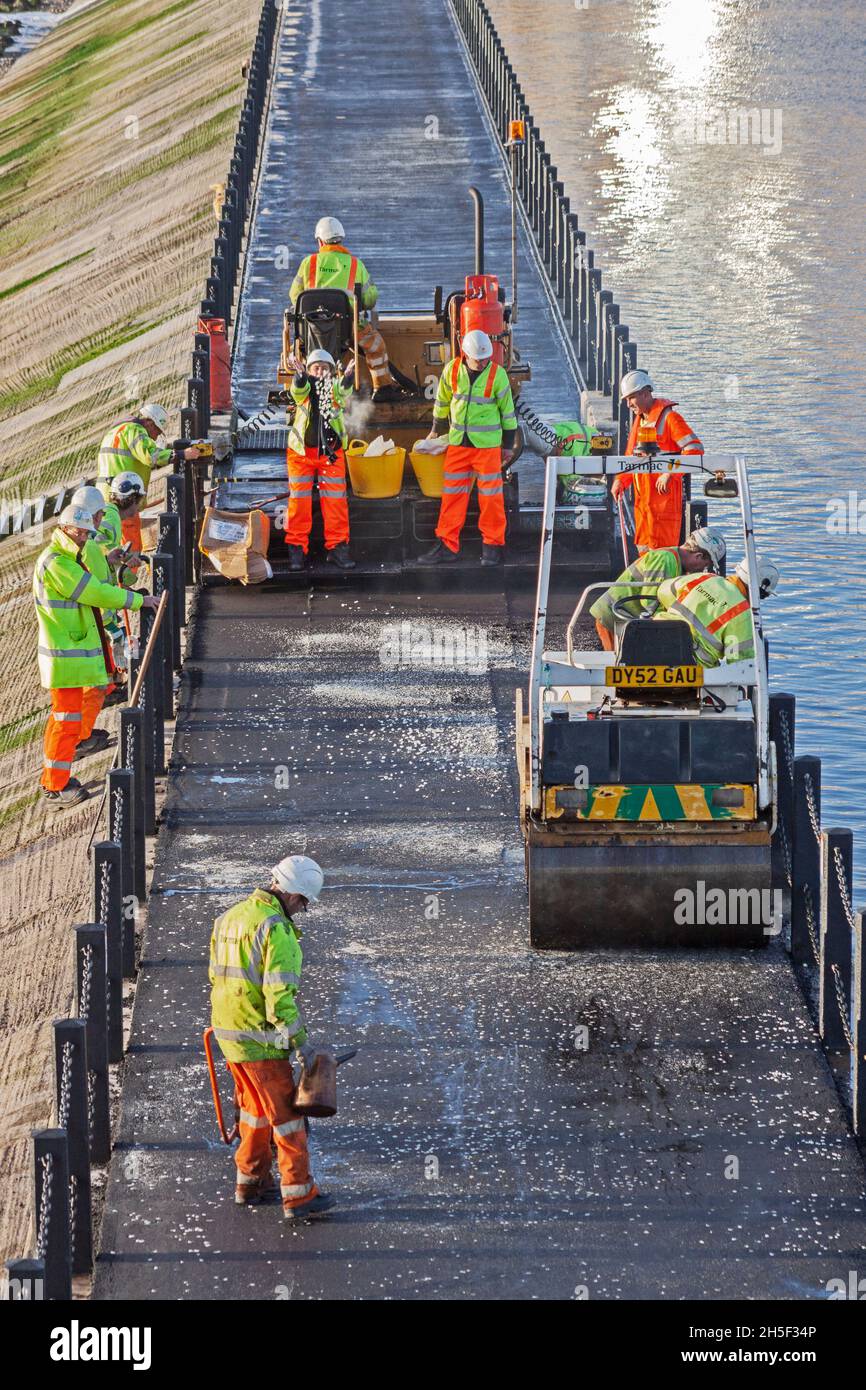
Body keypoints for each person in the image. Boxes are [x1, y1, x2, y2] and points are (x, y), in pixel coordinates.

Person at [208, 854, 336, 1222]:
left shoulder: (230, 917)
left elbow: (216, 978)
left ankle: (249, 1182)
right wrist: (302, 1046)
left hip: (230, 1036)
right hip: (261, 1041)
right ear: (296, 896)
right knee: (288, 1119)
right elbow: (278, 1001)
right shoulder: (276, 929)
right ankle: (299, 1196)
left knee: (254, 1113)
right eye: (305, 903)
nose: (303, 910)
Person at [33, 504, 155, 809]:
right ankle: (54, 788)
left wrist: (106, 559)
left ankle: (56, 781)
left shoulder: (66, 557)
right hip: (66, 659)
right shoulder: (58, 563)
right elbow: (96, 593)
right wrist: (139, 600)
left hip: (69, 658)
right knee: (64, 723)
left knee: (66, 721)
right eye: (84, 533)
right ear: (69, 529)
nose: (87, 538)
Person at [418, 329, 518, 566]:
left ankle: (492, 547)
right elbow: (442, 402)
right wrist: (435, 430)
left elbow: (508, 413)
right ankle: (447, 545)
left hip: (487, 448)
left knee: (491, 499)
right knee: (452, 497)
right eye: (478, 359)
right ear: (465, 354)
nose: (482, 362)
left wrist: (508, 445)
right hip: (458, 445)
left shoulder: (498, 375)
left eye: (485, 358)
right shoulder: (452, 370)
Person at [289, 217, 408, 403]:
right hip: (349, 330)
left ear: (320, 241)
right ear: (340, 240)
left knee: (298, 349)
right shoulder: (355, 265)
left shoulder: (308, 264)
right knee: (376, 346)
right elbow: (370, 298)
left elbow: (295, 295)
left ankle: (306, 383)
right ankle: (382, 388)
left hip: (311, 332)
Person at [591, 526, 726, 651]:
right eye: (705, 565)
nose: (702, 569)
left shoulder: (676, 563)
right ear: (698, 556)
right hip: (612, 617)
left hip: (626, 618)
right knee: (617, 669)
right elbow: (650, 603)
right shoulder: (666, 560)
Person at [611, 369, 703, 552]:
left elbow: (695, 449)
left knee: (664, 557)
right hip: (644, 507)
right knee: (644, 555)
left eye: (631, 398)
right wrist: (621, 481)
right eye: (627, 399)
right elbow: (631, 458)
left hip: (664, 506)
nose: (628, 404)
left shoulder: (670, 419)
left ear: (645, 394)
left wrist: (671, 473)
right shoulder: (640, 422)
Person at [285, 348, 355, 571]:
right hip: (301, 455)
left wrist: (349, 377)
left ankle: (337, 549)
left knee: (336, 504)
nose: (320, 371)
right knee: (298, 504)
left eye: (324, 368)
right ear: (309, 369)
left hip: (330, 455)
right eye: (316, 368)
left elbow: (344, 391)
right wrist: (299, 375)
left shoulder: (334, 390)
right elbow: (298, 390)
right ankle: (297, 551)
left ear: (331, 372)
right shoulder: (304, 390)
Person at [70, 485, 140, 708]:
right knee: (116, 640)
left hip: (100, 610)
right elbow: (98, 587)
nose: (103, 518)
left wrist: (110, 559)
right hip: (100, 612)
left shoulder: (87, 543)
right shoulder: (89, 545)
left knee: (115, 641)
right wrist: (128, 598)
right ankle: (114, 682)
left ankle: (114, 681)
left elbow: (98, 573)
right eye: (100, 514)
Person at [97, 405, 200, 549]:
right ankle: (129, 571)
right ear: (149, 422)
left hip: (109, 495)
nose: (156, 437)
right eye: (157, 431)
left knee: (114, 544)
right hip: (123, 499)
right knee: (131, 547)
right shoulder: (135, 430)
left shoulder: (117, 431)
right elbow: (151, 455)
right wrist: (181, 454)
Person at [655, 555, 779, 667]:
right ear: (759, 592)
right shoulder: (741, 612)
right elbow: (740, 663)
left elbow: (662, 591)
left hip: (653, 639)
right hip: (693, 666)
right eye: (763, 596)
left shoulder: (704, 578)